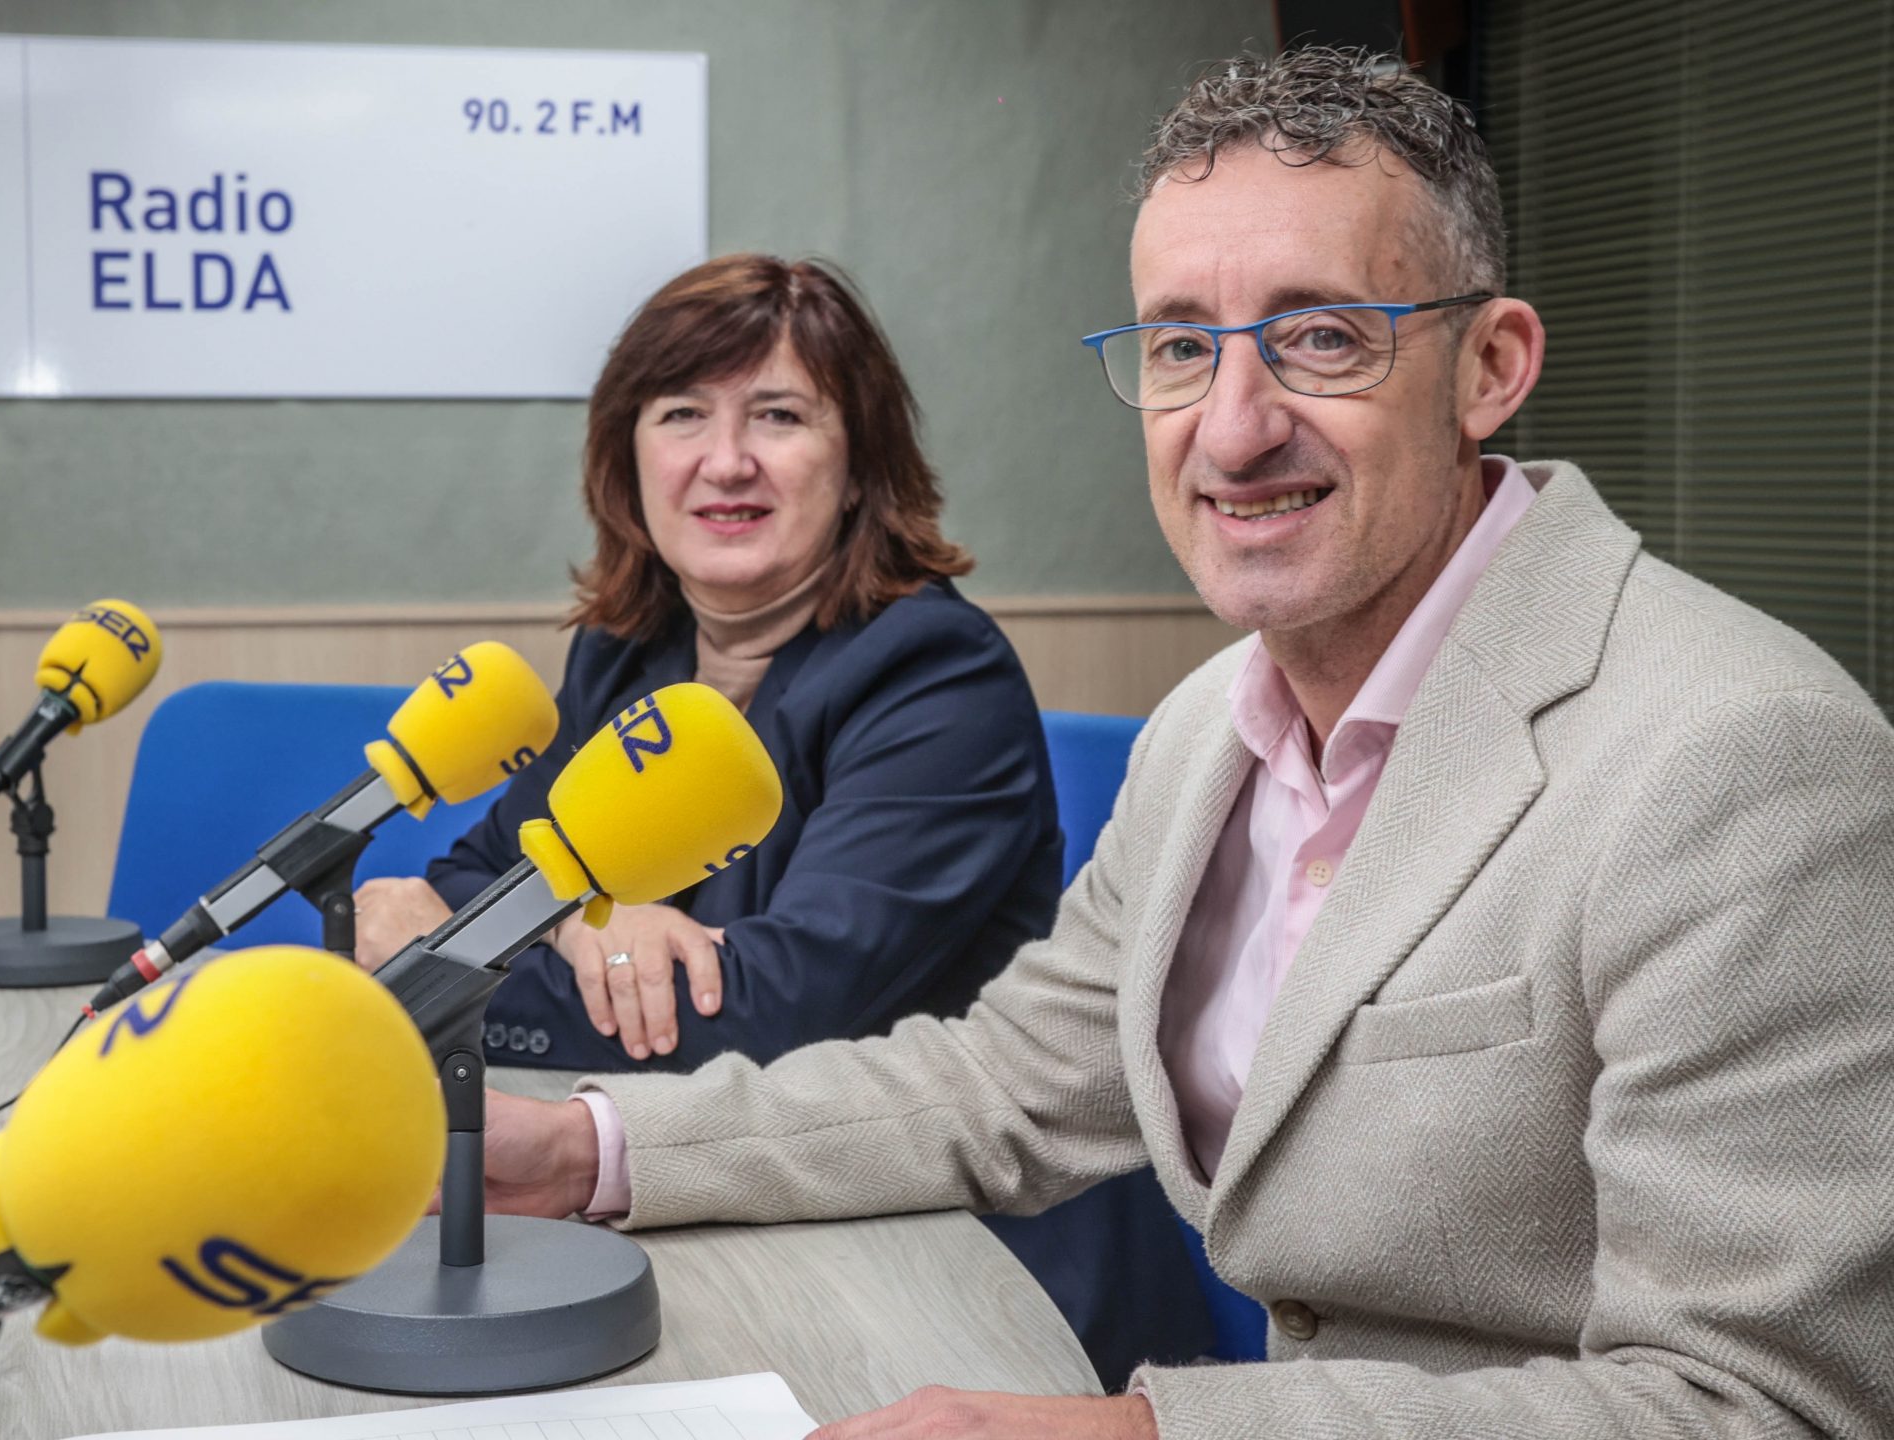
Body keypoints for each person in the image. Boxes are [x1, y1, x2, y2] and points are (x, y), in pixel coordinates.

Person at [472, 47, 1894, 1440]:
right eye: (1178, 347)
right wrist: (590, 1149)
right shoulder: (1210, 726)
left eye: (1322, 336)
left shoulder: (1744, 758)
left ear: (1490, 368)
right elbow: (1004, 1086)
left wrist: (1141, 1437)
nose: (1232, 426)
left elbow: (1758, 1404)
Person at [356, 254, 1214, 1383]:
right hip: (706, 1208)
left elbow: (774, 1010)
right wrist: (578, 922)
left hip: (953, 1260)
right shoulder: (626, 656)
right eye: (680, 416)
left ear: (859, 464)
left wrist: (453, 946)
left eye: (779, 415)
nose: (726, 461)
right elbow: (493, 870)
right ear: (627, 460)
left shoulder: (935, 674)